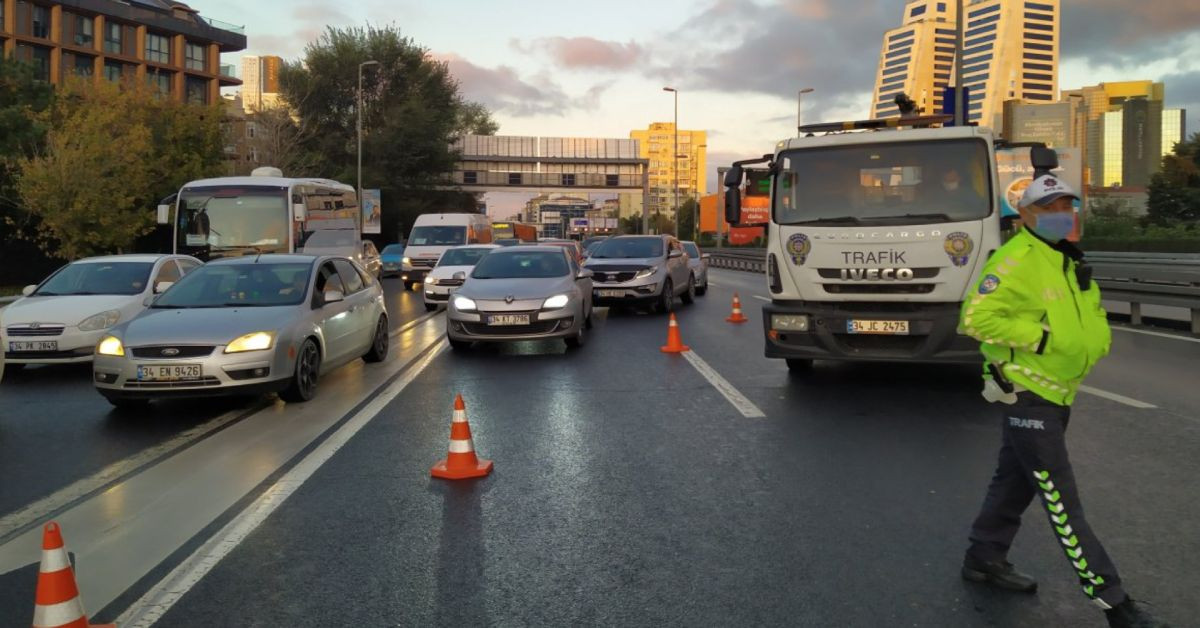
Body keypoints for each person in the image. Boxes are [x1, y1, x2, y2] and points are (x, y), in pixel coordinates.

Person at [958, 175, 1168, 628]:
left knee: (1014, 480)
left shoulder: (1066, 259)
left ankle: (983, 557)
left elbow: (1089, 315)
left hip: (1057, 389)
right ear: (1028, 215)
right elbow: (975, 318)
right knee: (1060, 498)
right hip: (1028, 391)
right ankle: (1113, 602)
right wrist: (1039, 339)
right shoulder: (1014, 261)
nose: (1063, 214)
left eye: (1068, 205)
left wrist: (1096, 341)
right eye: (1051, 206)